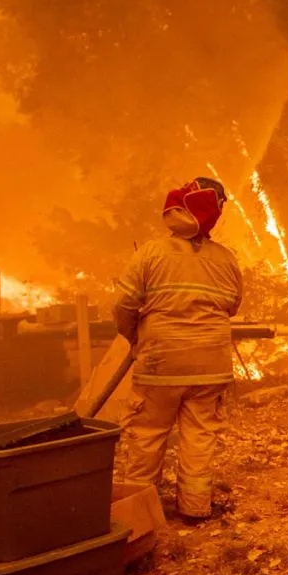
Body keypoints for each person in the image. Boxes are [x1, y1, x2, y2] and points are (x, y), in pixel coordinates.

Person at [114, 177, 243, 521]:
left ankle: (138, 516)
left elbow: (125, 305)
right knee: (200, 440)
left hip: (160, 366)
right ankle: (195, 510)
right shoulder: (226, 259)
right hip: (210, 367)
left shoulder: (150, 254)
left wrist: (135, 338)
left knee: (147, 437)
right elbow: (232, 306)